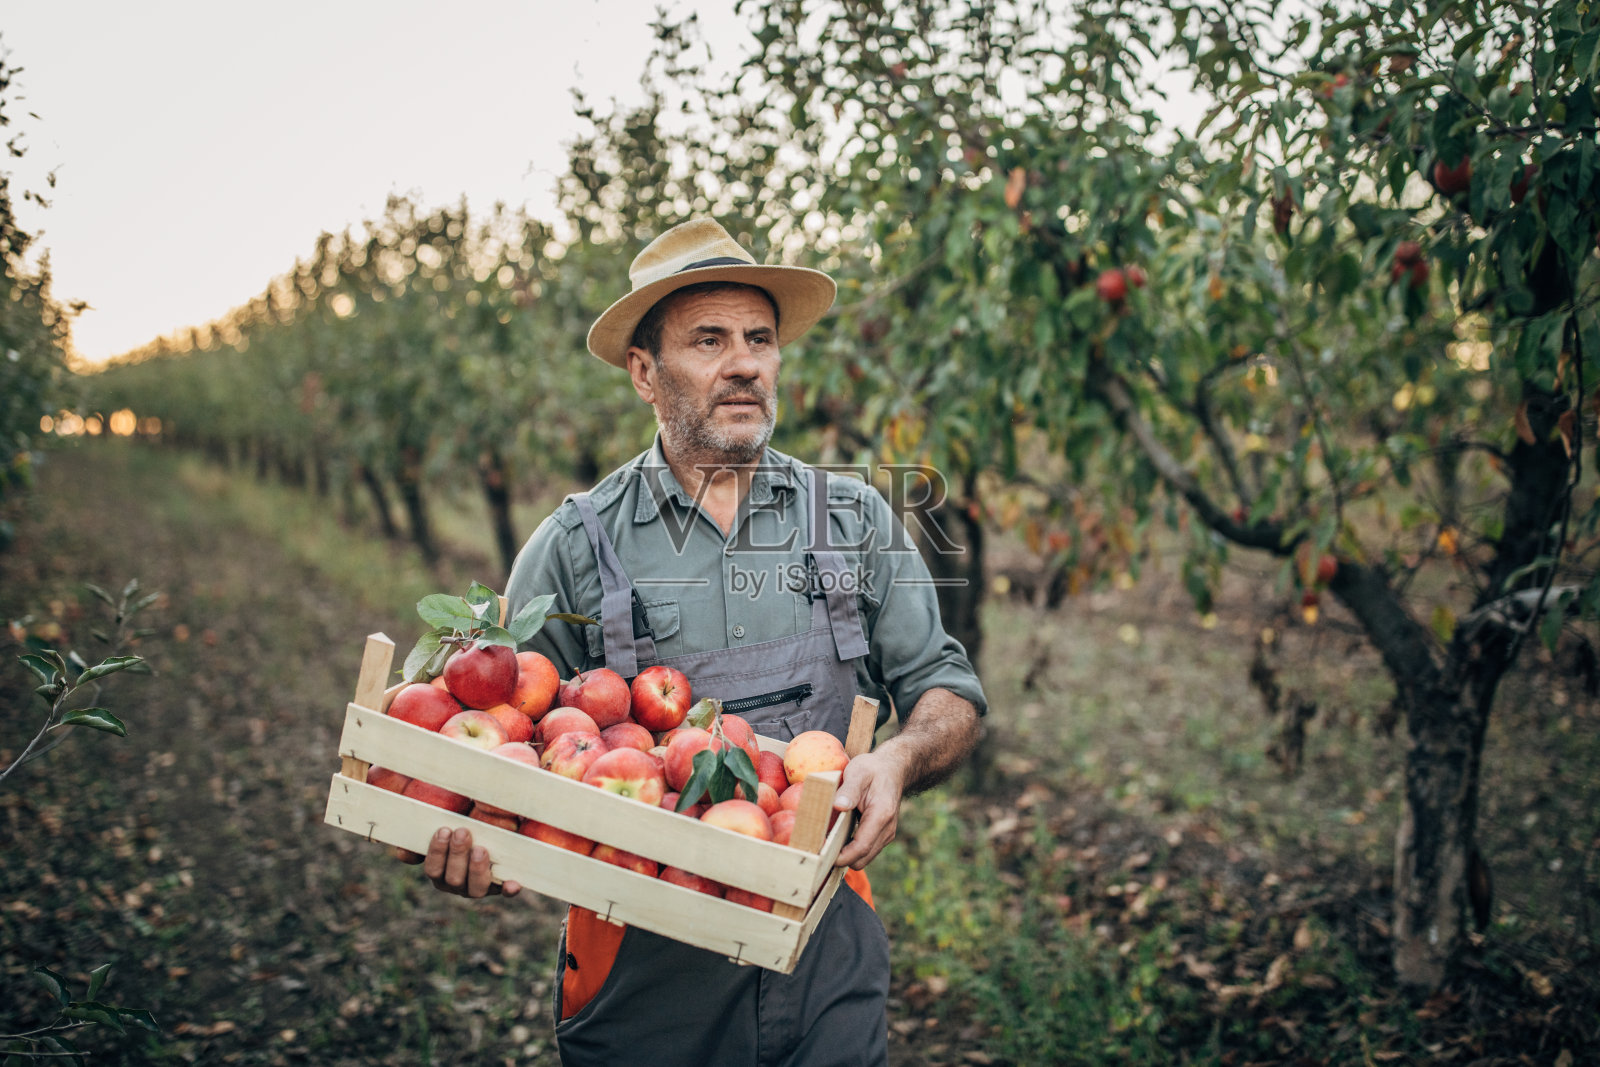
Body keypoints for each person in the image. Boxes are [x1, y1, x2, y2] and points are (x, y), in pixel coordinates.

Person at [405, 218, 986, 1066]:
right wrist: (481, 837)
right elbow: (508, 743)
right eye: (708, 339)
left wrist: (898, 761)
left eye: (760, 338)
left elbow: (946, 688)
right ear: (645, 372)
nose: (745, 361)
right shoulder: (576, 545)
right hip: (642, 967)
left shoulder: (854, 520)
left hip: (823, 942)